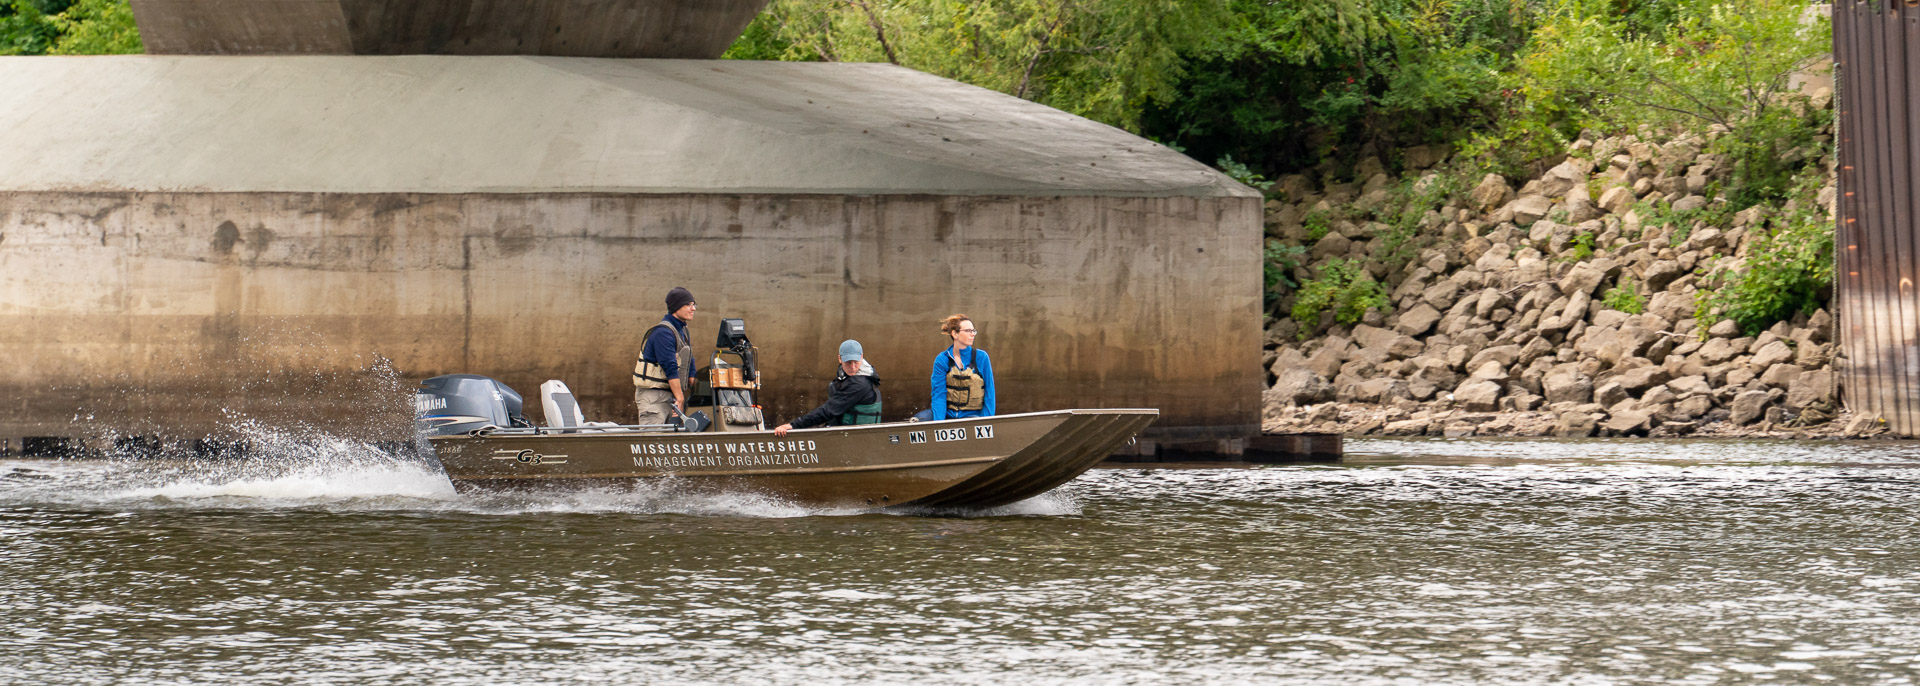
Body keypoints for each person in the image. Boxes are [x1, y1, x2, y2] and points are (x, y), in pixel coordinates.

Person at [773, 340, 882, 436]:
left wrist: (793, 425)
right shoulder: (844, 375)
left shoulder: (860, 384)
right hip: (841, 432)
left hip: (856, 438)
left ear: (862, 357)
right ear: (840, 359)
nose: (853, 367)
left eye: (856, 362)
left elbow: (828, 410)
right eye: (848, 362)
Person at [633, 287, 697, 425]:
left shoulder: (682, 331)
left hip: (670, 396)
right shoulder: (663, 333)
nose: (693, 309)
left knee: (669, 443)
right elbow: (670, 366)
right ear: (676, 307)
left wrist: (698, 386)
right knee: (652, 442)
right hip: (653, 397)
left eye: (693, 304)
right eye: (688, 305)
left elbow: (689, 359)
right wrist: (680, 398)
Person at [925, 313, 995, 421]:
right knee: (920, 419)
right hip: (947, 414)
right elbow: (939, 394)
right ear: (955, 334)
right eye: (968, 331)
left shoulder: (982, 357)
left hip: (972, 416)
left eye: (973, 331)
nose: (973, 334)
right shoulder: (942, 359)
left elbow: (990, 392)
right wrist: (939, 424)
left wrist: (987, 421)